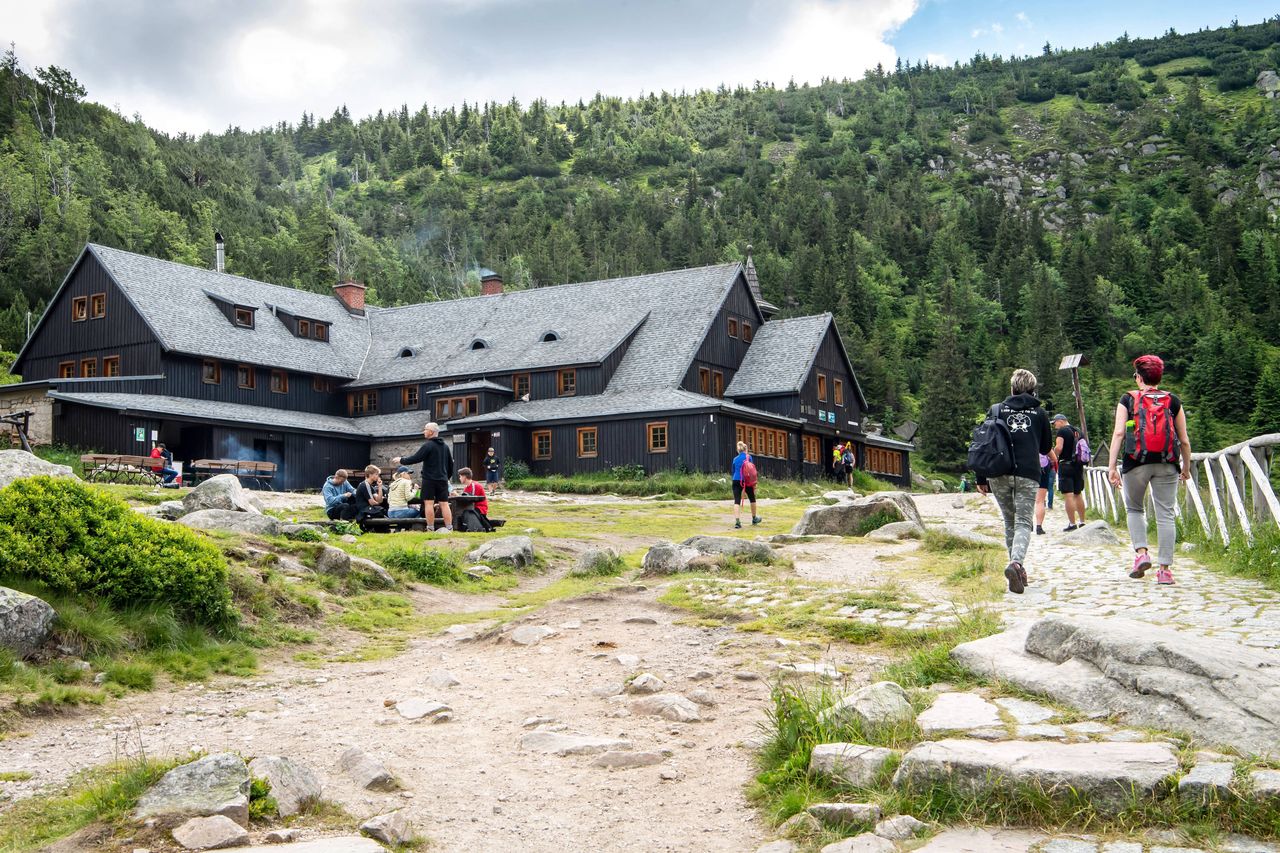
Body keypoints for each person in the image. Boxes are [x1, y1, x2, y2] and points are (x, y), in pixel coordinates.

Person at [1107, 355, 1193, 586]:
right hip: (1167, 463)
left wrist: (1112, 466)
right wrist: (1186, 466)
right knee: (1165, 513)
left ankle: (1142, 554)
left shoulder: (1127, 399)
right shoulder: (1173, 401)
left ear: (1138, 377)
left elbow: (1118, 434)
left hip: (1135, 462)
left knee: (1135, 508)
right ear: (1158, 377)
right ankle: (1164, 571)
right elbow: (1184, 440)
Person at [975, 369, 1054, 595]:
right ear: (1032, 390)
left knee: (1010, 522)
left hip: (998, 473)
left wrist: (981, 478)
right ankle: (1016, 564)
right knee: (1023, 523)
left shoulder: (996, 410)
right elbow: (1044, 447)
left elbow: (984, 444)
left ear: (1012, 389)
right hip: (1028, 474)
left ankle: (1017, 568)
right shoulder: (1039, 413)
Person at [392, 422, 455, 532]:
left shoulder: (428, 445)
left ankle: (430, 528)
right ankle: (449, 527)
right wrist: (446, 477)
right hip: (443, 480)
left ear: (431, 432)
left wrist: (401, 460)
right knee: (444, 504)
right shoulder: (445, 446)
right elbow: (451, 465)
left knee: (429, 503)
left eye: (425, 429)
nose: (423, 431)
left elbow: (416, 458)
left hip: (429, 479)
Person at [1053, 413, 1087, 531]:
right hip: (1078, 466)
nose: (1054, 426)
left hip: (1065, 464)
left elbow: (1059, 447)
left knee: (1068, 495)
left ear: (1061, 421)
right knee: (1078, 494)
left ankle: (1072, 524)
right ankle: (1082, 521)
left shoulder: (1062, 431)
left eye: (1055, 423)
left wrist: (1053, 455)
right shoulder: (1078, 431)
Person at [731, 440, 761, 529]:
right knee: (752, 499)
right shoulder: (749, 457)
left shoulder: (735, 459)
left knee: (737, 501)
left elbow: (733, 471)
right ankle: (754, 518)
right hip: (747, 481)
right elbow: (752, 471)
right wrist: (754, 484)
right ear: (745, 449)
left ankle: (737, 522)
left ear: (738, 450)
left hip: (736, 480)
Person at [1034, 452, 1056, 535]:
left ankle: (1027, 524)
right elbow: (1054, 458)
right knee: (1040, 501)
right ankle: (1039, 526)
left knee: (1027, 498)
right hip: (1043, 469)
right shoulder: (1043, 440)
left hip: (1027, 468)